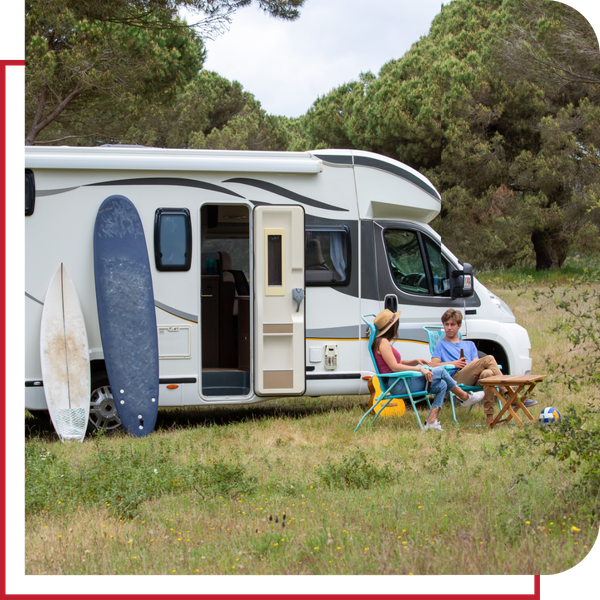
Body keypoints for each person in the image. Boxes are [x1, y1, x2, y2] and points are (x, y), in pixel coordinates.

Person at [371, 309, 484, 431]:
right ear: (392, 326)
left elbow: (396, 362)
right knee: (440, 371)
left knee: (442, 384)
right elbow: (394, 367)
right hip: (397, 384)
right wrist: (420, 369)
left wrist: (415, 360)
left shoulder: (381, 342)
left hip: (399, 382)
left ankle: (431, 422)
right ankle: (464, 397)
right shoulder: (383, 343)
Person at [430, 309, 535, 427]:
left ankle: (490, 419)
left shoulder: (469, 345)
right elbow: (433, 365)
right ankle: (510, 394)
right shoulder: (441, 344)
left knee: (488, 374)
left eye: (452, 324)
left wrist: (478, 372)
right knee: (489, 358)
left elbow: (476, 362)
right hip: (457, 378)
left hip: (475, 377)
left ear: (459, 325)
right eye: (446, 324)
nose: (449, 328)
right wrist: (454, 364)